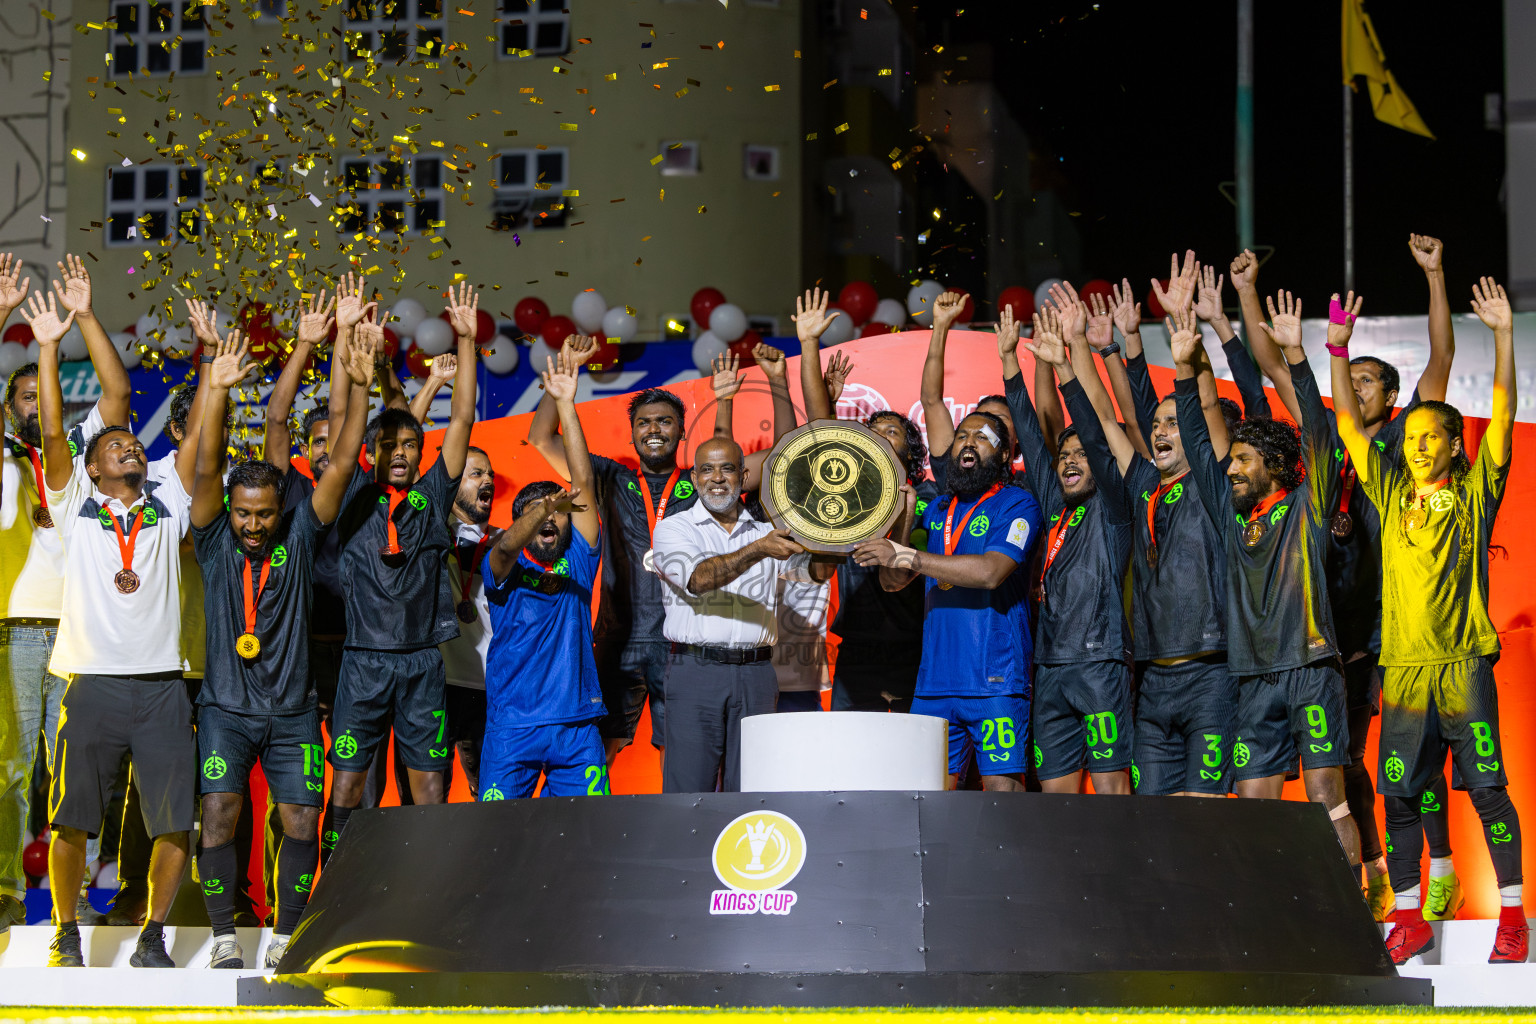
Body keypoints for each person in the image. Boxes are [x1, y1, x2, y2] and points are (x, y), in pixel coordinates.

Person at [1234, 238, 1458, 922]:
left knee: (1399, 760)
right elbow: (1277, 365)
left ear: (1392, 397)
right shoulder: (1321, 449)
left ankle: (1417, 871)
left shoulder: (1399, 442)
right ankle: (1368, 877)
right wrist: (1246, 294)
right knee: (1348, 765)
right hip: (1324, 631)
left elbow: (1443, 359)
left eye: (1368, 381)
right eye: (1349, 377)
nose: (1355, 387)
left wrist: (1434, 275)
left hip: (1387, 628)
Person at [1333, 278, 1527, 965]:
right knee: (1399, 792)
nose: (1416, 446)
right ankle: (1409, 915)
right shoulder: (1387, 491)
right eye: (1411, 435)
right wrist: (1335, 346)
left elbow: (1502, 418)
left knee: (1485, 789)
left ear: (1453, 446)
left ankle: (1513, 917)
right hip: (1405, 670)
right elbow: (1351, 428)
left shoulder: (1476, 495)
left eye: (1430, 436)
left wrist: (1503, 336)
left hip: (1463, 667)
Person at [189, 327, 371, 970]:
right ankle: (221, 938)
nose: (254, 524)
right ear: (229, 512)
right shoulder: (212, 540)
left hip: (294, 712)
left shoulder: (297, 535)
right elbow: (207, 465)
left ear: (279, 510)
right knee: (218, 813)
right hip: (225, 712)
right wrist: (216, 386)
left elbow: (343, 464)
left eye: (264, 513)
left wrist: (364, 383)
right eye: (244, 514)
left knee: (301, 822)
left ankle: (288, 936)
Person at [26, 288, 198, 968]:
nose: (127, 444)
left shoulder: (164, 500)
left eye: (132, 443)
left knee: (171, 820)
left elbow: (120, 389)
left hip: (161, 685)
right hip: (91, 684)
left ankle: (153, 932)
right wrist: (46, 344)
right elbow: (49, 434)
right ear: (92, 468)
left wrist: (88, 316)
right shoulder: (76, 503)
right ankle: (66, 930)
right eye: (113, 445)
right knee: (72, 818)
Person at [1170, 298, 1360, 870]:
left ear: (1275, 467)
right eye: (1234, 460)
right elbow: (1201, 449)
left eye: (1245, 459)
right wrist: (1184, 368)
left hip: (1309, 666)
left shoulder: (1308, 506)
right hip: (1251, 679)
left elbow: (1320, 434)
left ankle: (1358, 923)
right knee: (1254, 807)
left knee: (1327, 798)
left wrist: (1299, 356)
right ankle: (1273, 920)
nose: (1232, 468)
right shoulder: (1232, 520)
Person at [320, 284, 478, 862]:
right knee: (348, 784)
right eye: (389, 445)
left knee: (429, 786)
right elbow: (341, 421)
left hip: (420, 664)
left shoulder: (434, 498)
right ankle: (332, 888)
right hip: (363, 662)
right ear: (373, 453)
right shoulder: (356, 495)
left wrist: (465, 339)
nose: (402, 453)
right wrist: (345, 345)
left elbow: (461, 418)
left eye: (412, 443)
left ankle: (424, 886)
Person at [0, 253, 132, 931]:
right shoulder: (2, 457)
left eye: (41, 395)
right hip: (18, 630)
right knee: (17, 768)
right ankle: (11, 892)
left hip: (82, 631)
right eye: (23, 397)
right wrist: (3, 316)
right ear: (9, 407)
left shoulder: (76, 454)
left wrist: (81, 315)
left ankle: (74, 894)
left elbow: (116, 394)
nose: (35, 405)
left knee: (75, 767)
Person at [1089, 271, 1235, 799]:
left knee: (1204, 816)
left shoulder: (1211, 482)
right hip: (1151, 679)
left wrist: (1186, 357)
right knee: (1153, 821)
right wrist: (1080, 353)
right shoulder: (1147, 484)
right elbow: (1109, 420)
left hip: (1209, 675)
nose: (1159, 430)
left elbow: (1208, 415)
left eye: (1172, 423)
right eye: (1158, 426)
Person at [527, 334, 698, 770]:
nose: (654, 429)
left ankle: (677, 836)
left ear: (681, 430)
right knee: (596, 752)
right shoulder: (607, 477)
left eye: (664, 421)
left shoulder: (701, 483)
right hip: (616, 637)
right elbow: (541, 438)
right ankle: (588, 833)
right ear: (633, 432)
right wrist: (566, 373)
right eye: (644, 422)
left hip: (680, 642)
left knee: (677, 755)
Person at [852, 411, 1043, 791]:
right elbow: (893, 581)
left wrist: (910, 557)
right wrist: (906, 520)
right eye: (961, 435)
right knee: (927, 801)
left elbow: (991, 571)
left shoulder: (1018, 505)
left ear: (1005, 454)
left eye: (982, 436)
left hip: (995, 681)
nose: (968, 441)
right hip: (934, 683)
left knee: (1003, 800)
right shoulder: (938, 510)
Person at [651, 434, 835, 793]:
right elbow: (699, 578)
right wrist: (758, 549)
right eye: (706, 470)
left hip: (757, 674)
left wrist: (834, 534)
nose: (716, 478)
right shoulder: (673, 529)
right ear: (694, 479)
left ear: (744, 475)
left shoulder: (768, 532)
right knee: (688, 790)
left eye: (727, 469)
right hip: (695, 673)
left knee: (752, 789)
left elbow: (816, 572)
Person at [1009, 303, 1133, 794]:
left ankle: (1119, 873)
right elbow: (1032, 439)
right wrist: (1008, 364)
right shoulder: (1053, 504)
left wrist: (1065, 370)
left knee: (1111, 793)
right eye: (1067, 456)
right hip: (1050, 665)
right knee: (1056, 799)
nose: (1071, 462)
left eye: (1082, 454)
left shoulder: (1114, 505)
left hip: (1100, 663)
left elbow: (1101, 439)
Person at [479, 347, 607, 799]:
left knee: (588, 842)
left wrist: (567, 403)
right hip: (512, 727)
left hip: (576, 727)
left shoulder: (579, 560)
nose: (550, 519)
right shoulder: (503, 563)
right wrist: (543, 508)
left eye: (558, 513)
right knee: (497, 848)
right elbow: (509, 542)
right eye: (536, 514)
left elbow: (584, 483)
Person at [435, 442, 496, 798]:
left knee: (487, 793)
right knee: (428, 793)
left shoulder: (503, 541)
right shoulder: (430, 533)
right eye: (477, 473)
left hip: (489, 685)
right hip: (438, 683)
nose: (488, 479)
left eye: (490, 474)